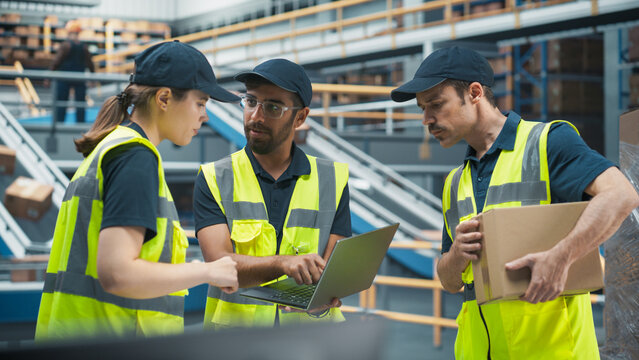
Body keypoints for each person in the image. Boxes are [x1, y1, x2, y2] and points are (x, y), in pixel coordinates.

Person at [391, 46, 639, 359]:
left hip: (551, 349)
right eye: (422, 109)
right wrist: (456, 255)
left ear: (475, 93)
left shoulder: (547, 142)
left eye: (436, 104)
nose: (426, 119)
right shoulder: (455, 183)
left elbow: (621, 195)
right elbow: (450, 282)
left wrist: (560, 258)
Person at [35, 41, 240, 341]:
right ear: (165, 98)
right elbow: (118, 274)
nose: (205, 115)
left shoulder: (111, 147)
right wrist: (207, 271)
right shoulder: (135, 157)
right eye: (200, 102)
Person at [193, 58, 351, 329]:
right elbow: (219, 265)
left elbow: (332, 271)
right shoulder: (214, 178)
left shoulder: (332, 179)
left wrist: (329, 292)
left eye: (273, 107)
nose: (256, 116)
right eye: (251, 102)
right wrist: (283, 264)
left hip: (310, 342)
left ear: (300, 117)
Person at [50, 21, 95, 124]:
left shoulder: (66, 45)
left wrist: (48, 77)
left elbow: (56, 61)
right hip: (79, 78)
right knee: (80, 104)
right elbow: (90, 63)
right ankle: (80, 125)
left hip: (64, 78)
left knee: (61, 103)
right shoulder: (83, 47)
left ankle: (59, 124)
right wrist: (92, 79)